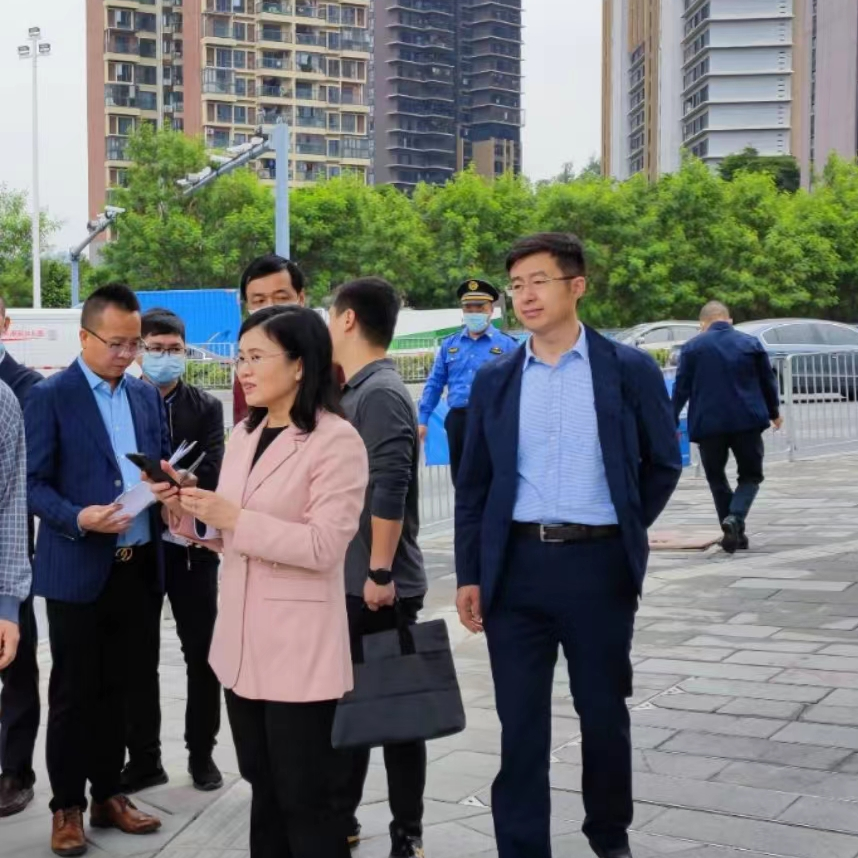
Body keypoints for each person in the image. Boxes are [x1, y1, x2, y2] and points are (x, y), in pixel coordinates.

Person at [455, 233, 682, 858]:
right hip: (515, 570)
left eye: (539, 281)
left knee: (603, 713)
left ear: (576, 286)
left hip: (598, 568)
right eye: (517, 285)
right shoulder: (497, 378)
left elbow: (664, 461)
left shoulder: (627, 370)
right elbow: (474, 485)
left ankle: (609, 837)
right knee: (520, 723)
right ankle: (522, 846)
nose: (525, 296)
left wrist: (621, 523)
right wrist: (471, 572)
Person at [150, 305, 368, 858]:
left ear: (299, 364)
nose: (242, 370)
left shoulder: (336, 439)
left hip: (298, 647)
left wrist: (234, 518)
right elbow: (230, 533)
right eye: (240, 357)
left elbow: (324, 546)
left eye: (255, 357)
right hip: (242, 644)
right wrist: (187, 509)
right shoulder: (246, 432)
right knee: (263, 788)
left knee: (304, 799)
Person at [25, 285, 167, 857]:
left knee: (123, 688)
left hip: (138, 566)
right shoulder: (50, 396)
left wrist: (170, 484)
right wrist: (78, 517)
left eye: (135, 343)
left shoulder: (144, 396)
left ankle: (109, 794)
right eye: (116, 343)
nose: (127, 354)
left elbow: (153, 465)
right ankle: (67, 806)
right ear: (84, 337)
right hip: (78, 567)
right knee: (74, 692)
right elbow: (33, 484)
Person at [328, 278, 428, 858]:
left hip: (378, 585)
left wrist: (381, 574)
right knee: (354, 707)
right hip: (353, 580)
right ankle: (343, 819)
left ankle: (406, 831)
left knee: (395, 714)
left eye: (329, 314)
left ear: (348, 320)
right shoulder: (355, 389)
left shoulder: (381, 392)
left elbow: (391, 485)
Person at [120, 308, 226, 794]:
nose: (166, 357)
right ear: (140, 350)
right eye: (156, 348)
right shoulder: (125, 400)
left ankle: (202, 753)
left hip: (191, 549)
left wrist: (186, 482)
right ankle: (144, 759)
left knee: (202, 653)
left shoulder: (205, 406)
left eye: (175, 349)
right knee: (137, 656)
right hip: (140, 547)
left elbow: (216, 466)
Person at [672, 300, 782, 553]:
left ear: (703, 323)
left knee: (716, 477)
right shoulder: (750, 343)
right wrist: (774, 413)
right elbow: (767, 381)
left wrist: (670, 419)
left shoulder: (692, 348)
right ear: (729, 320)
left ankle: (733, 531)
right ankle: (735, 519)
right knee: (751, 476)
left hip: (708, 425)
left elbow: (681, 388)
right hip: (747, 423)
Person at [0, 297, 43, 818]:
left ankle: (14, 769)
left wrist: (9, 597)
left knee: (16, 666)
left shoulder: (18, 392)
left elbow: (14, 498)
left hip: (9, 557)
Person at [417, 279, 518, 484]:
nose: (474, 312)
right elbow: (435, 383)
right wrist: (423, 419)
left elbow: (518, 388)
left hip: (492, 419)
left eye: (480, 307)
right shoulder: (450, 345)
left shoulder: (508, 345)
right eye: (468, 308)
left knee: (492, 479)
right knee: (462, 480)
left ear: (491, 310)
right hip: (459, 420)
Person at [232, 254, 307, 426]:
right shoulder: (246, 374)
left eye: (281, 299)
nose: (270, 308)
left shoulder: (330, 361)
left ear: (301, 299)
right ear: (248, 307)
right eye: (259, 301)